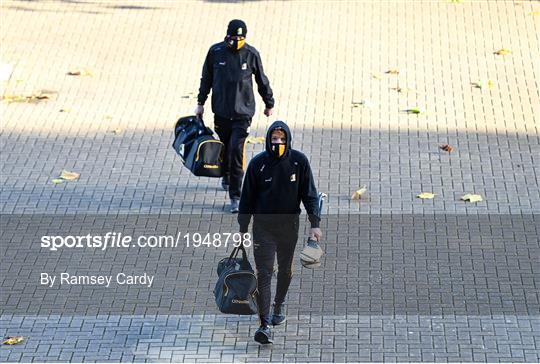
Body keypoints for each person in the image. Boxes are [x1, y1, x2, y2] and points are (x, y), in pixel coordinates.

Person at [238, 121, 323, 344]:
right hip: (263, 228)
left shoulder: (299, 161)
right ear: (268, 140)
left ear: (288, 140)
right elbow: (246, 199)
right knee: (264, 274)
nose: (278, 143)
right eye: (274, 139)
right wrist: (242, 228)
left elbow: (310, 194)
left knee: (285, 269)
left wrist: (315, 224)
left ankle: (279, 302)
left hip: (289, 227)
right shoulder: (258, 164)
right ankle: (264, 324)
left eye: (282, 139)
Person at [195, 19, 275, 213]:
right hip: (221, 112)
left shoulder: (251, 54)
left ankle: (236, 196)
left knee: (236, 151)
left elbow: (261, 80)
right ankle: (227, 174)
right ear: (227, 35)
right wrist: (200, 103)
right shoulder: (215, 52)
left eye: (241, 37)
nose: (237, 40)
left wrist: (268, 102)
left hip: (243, 114)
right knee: (224, 147)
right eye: (234, 37)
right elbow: (206, 78)